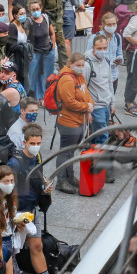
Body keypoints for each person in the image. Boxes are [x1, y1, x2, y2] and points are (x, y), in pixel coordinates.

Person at [53, 53, 93, 194]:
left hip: (78, 120)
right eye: (78, 65)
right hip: (68, 121)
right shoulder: (67, 80)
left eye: (82, 65)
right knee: (65, 152)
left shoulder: (79, 77)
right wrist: (86, 107)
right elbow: (69, 102)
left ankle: (69, 177)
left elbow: (86, 93)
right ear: (71, 64)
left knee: (70, 152)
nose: (81, 68)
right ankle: (61, 181)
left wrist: (90, 106)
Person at [83, 36, 116, 162]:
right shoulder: (87, 64)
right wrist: (87, 109)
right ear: (93, 48)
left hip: (106, 104)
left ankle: (92, 161)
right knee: (102, 136)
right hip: (96, 107)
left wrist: (112, 103)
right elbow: (83, 88)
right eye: (99, 48)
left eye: (105, 48)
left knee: (96, 136)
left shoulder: (106, 61)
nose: (102, 50)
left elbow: (109, 83)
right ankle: (104, 167)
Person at [26, 0, 56, 102]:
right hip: (35, 53)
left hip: (48, 52)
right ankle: (32, 98)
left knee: (47, 76)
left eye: (37, 9)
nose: (36, 11)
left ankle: (45, 97)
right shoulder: (28, 22)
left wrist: (53, 47)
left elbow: (52, 33)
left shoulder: (46, 18)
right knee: (33, 76)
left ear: (41, 8)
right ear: (30, 11)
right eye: (33, 9)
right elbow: (25, 38)